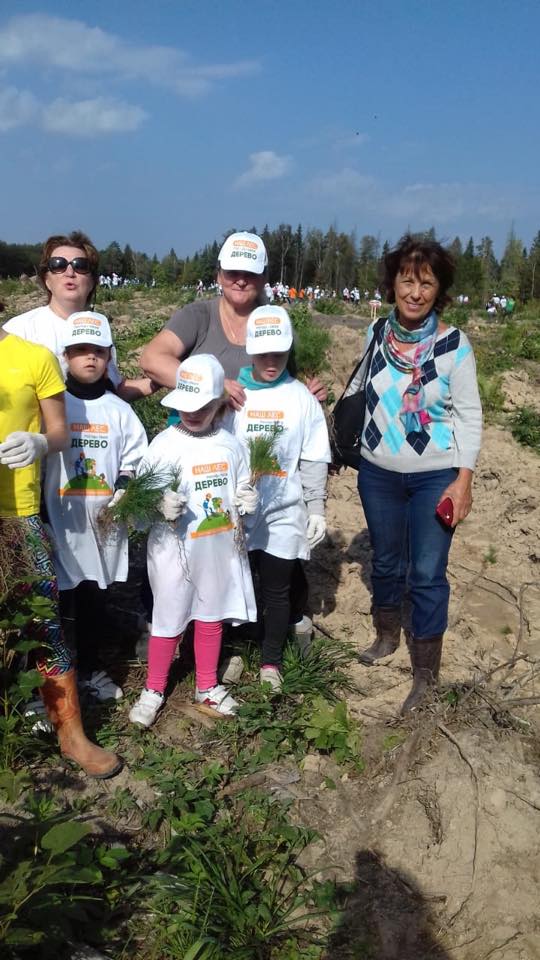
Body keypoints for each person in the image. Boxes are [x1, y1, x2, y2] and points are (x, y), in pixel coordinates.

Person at [140, 231, 326, 666]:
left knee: (247, 552)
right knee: (184, 541)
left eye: (250, 273)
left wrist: (309, 393)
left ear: (263, 277)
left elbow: (286, 378)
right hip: (194, 447)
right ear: (219, 273)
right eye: (232, 272)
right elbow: (153, 359)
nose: (241, 280)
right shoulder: (198, 316)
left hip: (246, 463)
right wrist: (211, 385)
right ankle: (164, 627)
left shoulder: (271, 320)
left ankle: (250, 635)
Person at [355, 235, 482, 713]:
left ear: (439, 290)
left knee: (427, 573)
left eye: (426, 283)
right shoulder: (375, 335)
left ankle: (426, 674)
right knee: (386, 562)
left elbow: (469, 416)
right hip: (377, 474)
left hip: (434, 476)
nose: (415, 292)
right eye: (406, 281)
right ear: (392, 284)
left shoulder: (454, 345)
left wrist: (463, 480)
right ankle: (387, 634)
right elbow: (360, 392)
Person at [0, 321, 121, 778]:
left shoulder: (33, 357)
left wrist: (39, 443)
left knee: (44, 618)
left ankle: (70, 732)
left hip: (17, 512)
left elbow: (60, 432)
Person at [129, 354, 258, 727]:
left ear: (219, 402)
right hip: (174, 552)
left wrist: (250, 501)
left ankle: (207, 685)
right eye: (186, 405)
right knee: (168, 617)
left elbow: (243, 489)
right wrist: (157, 503)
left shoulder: (231, 446)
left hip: (217, 550)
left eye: (202, 406)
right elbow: (137, 509)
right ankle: (154, 688)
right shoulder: (164, 445)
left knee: (210, 615)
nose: (193, 413)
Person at [43, 312, 148, 703]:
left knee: (94, 600)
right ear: (65, 356)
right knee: (59, 602)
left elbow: (135, 457)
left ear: (109, 357)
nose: (90, 358)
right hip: (61, 523)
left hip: (103, 525)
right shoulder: (52, 405)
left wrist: (125, 486)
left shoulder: (119, 411)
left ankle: (90, 669)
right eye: (80, 350)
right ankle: (55, 677)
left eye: (98, 351)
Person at [229, 306, 331, 692]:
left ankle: (270, 661)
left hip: (284, 511)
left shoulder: (301, 399)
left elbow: (313, 456)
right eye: (263, 354)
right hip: (238, 510)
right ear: (250, 350)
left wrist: (316, 508)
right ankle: (236, 649)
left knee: (277, 588)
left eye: (279, 353)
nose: (271, 362)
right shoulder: (233, 397)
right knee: (238, 584)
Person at [4, 231, 156, 401]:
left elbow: (112, 389)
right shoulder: (18, 329)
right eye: (58, 265)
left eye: (80, 266)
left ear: (92, 282)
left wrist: (163, 378)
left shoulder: (98, 329)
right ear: (47, 280)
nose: (70, 272)